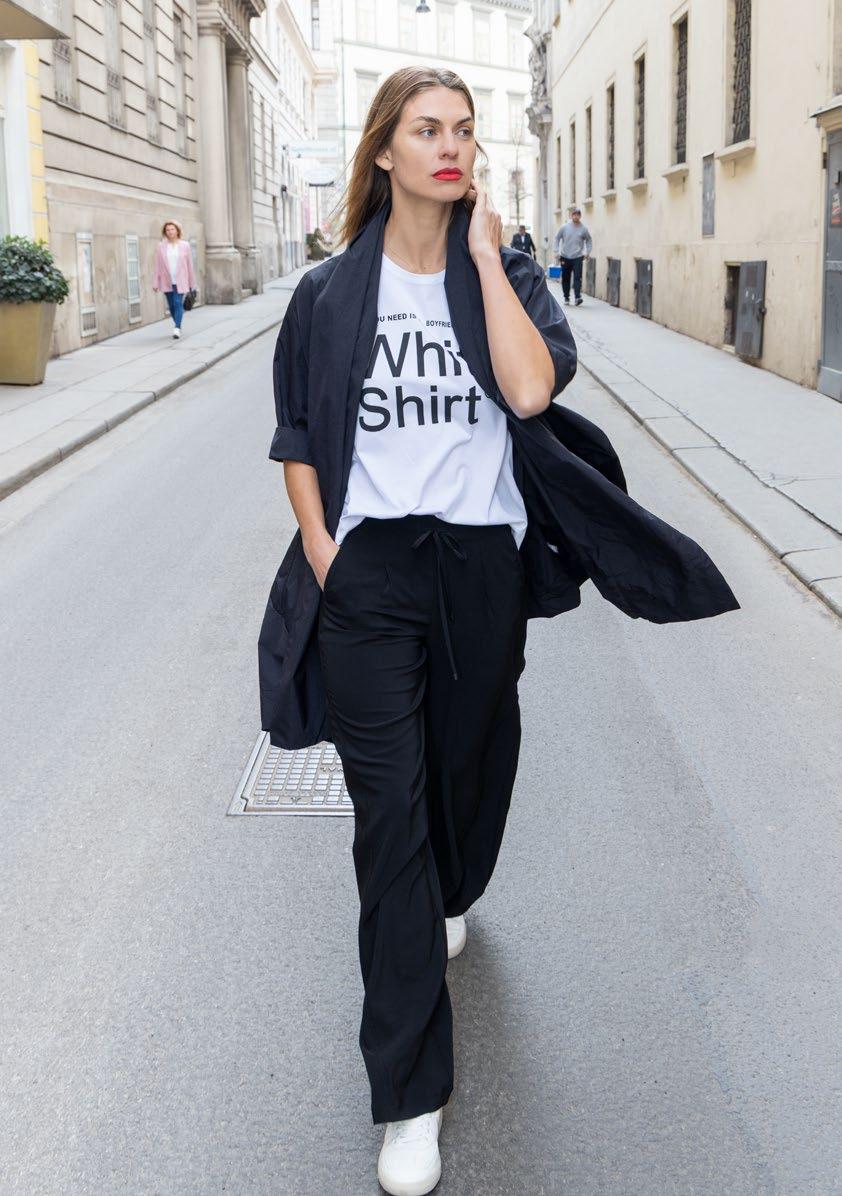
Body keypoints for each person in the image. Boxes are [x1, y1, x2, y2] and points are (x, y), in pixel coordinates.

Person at [258, 66, 739, 1196]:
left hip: (479, 564)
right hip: (371, 571)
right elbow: (298, 434)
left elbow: (528, 393)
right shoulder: (328, 292)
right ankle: (409, 1094)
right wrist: (325, 551)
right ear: (384, 150)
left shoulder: (506, 276)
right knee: (387, 821)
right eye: (426, 129)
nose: (450, 146)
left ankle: (453, 888)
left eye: (464, 131)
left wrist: (483, 256)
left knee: (469, 768)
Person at [152, 220, 195, 339]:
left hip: (180, 280)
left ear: (177, 231)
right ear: (165, 232)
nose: (170, 232)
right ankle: (178, 324)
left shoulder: (185, 245)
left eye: (172, 229)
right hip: (167, 280)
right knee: (171, 306)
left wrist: (192, 283)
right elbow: (157, 265)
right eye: (167, 230)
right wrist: (155, 282)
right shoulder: (161, 246)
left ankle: (177, 327)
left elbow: (189, 265)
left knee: (177, 303)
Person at [553, 206, 591, 306]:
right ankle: (566, 297)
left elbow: (589, 240)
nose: (576, 216)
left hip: (578, 256)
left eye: (578, 215)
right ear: (571, 215)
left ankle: (578, 297)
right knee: (566, 277)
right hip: (565, 256)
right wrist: (556, 251)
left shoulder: (583, 229)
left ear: (580, 216)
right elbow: (557, 238)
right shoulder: (564, 227)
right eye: (574, 214)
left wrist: (587, 251)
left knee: (578, 277)